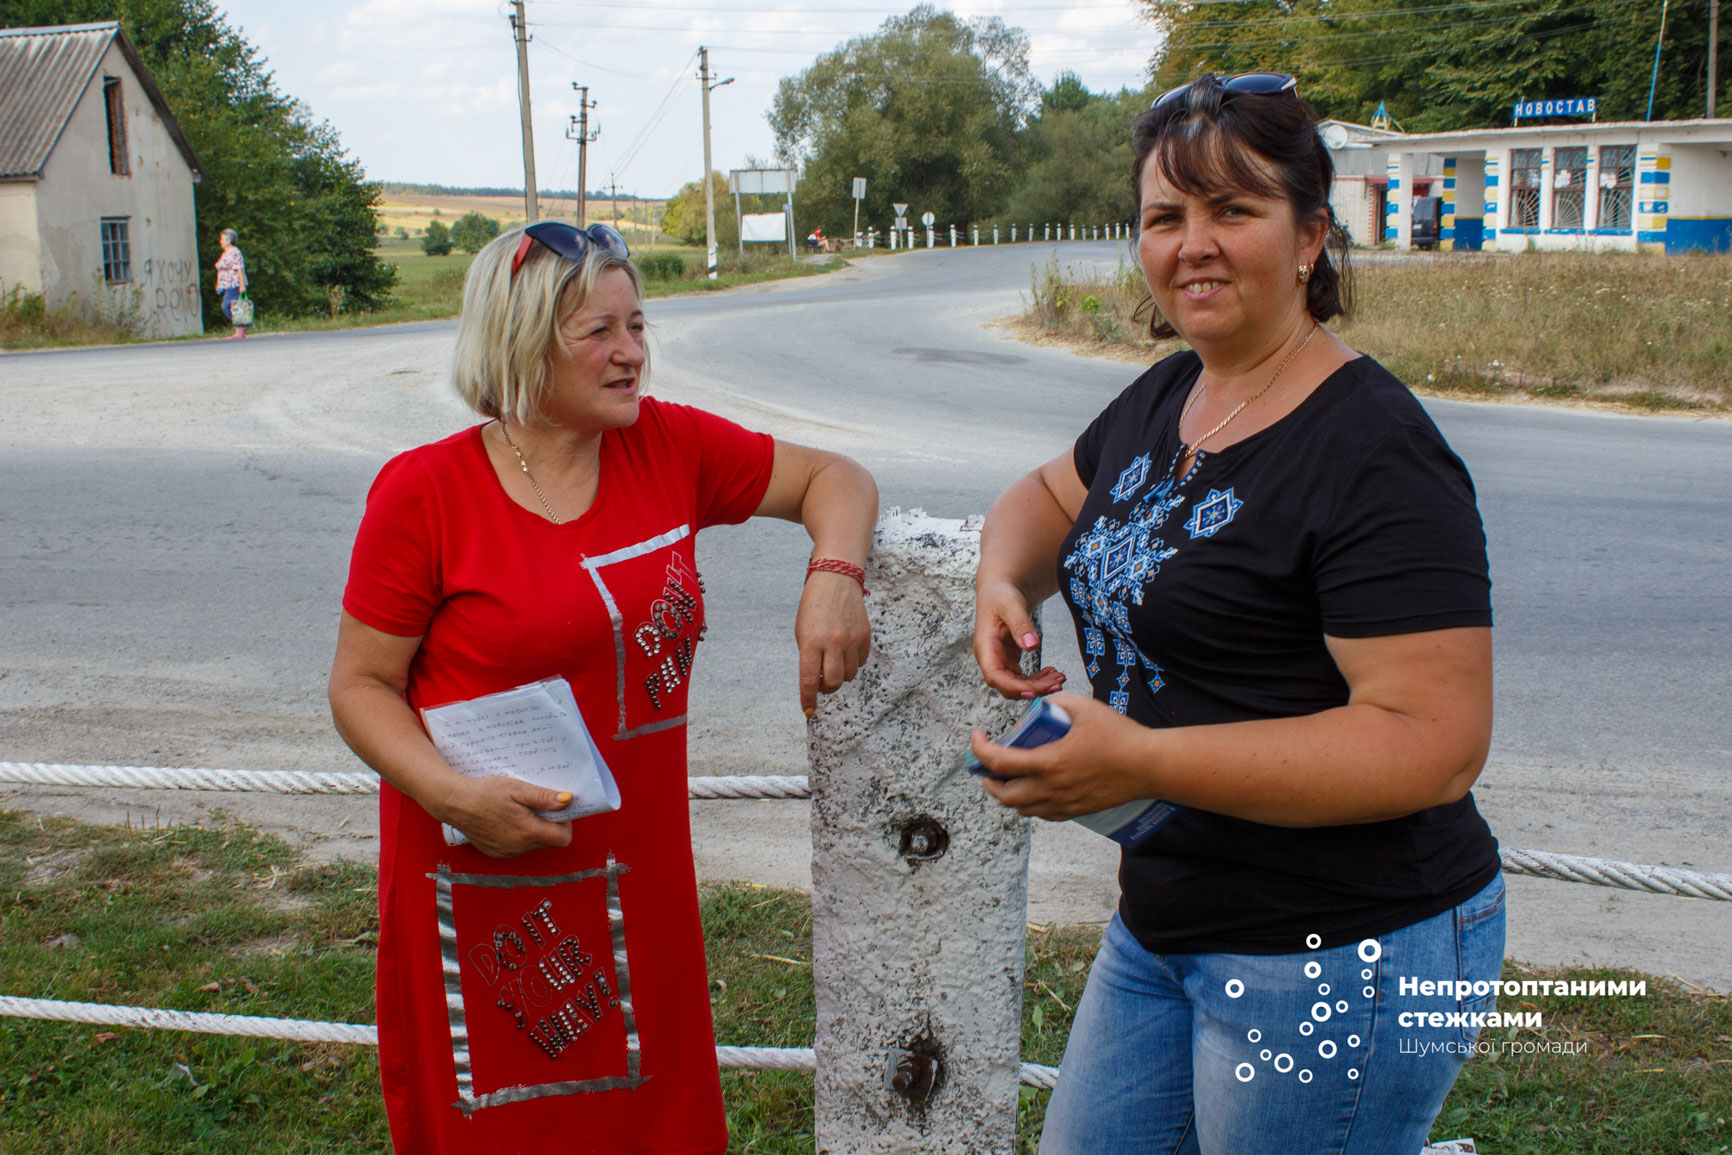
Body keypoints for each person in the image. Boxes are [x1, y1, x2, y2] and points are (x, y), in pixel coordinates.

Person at [968, 73, 1504, 1154]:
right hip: (1167, 918)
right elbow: (1048, 497)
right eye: (1165, 216)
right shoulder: (1172, 393)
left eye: (1233, 209)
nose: (1193, 244)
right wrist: (1002, 579)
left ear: (1310, 237)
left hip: (1343, 949)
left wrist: (1142, 761)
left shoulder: (1376, 450)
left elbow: (1434, 743)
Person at [328, 220, 877, 1153]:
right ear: (521, 343)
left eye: (638, 326)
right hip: (492, 890)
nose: (632, 354)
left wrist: (836, 573)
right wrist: (451, 794)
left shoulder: (666, 445)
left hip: (643, 873)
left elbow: (837, 477)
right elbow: (360, 686)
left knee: (655, 1124)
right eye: (600, 332)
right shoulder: (424, 493)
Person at [214, 228, 249, 339]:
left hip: (235, 284)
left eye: (222, 239)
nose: (220, 242)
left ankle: (241, 327)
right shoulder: (226, 253)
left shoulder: (235, 252)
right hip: (228, 285)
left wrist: (242, 286)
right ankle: (240, 329)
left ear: (229, 240)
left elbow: (240, 269)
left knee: (227, 306)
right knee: (233, 306)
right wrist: (219, 284)